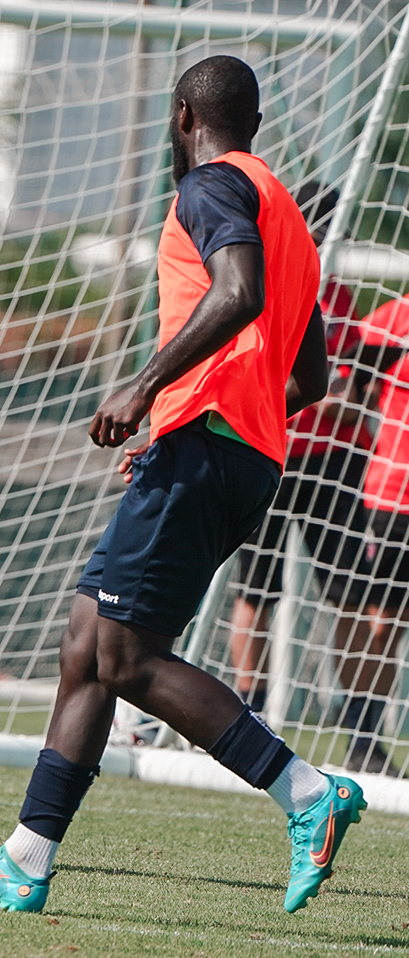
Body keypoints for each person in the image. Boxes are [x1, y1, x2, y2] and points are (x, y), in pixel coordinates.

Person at [0, 55, 360, 916]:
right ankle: (26, 855)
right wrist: (205, 409)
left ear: (181, 115)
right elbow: (308, 378)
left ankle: (307, 792)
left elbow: (236, 295)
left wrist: (148, 390)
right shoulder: (289, 217)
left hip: (206, 447)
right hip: (241, 453)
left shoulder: (209, 187)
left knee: (123, 657)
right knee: (88, 643)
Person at [227, 182, 370, 715]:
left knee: (352, 593)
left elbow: (350, 388)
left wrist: (347, 402)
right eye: (322, 226)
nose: (329, 238)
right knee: (256, 590)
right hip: (272, 449)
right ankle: (250, 709)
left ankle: (358, 722)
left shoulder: (337, 296)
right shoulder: (260, 280)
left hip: (333, 465)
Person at [320, 302, 409, 776]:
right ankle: (363, 734)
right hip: (393, 498)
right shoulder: (387, 321)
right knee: (384, 624)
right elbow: (346, 393)